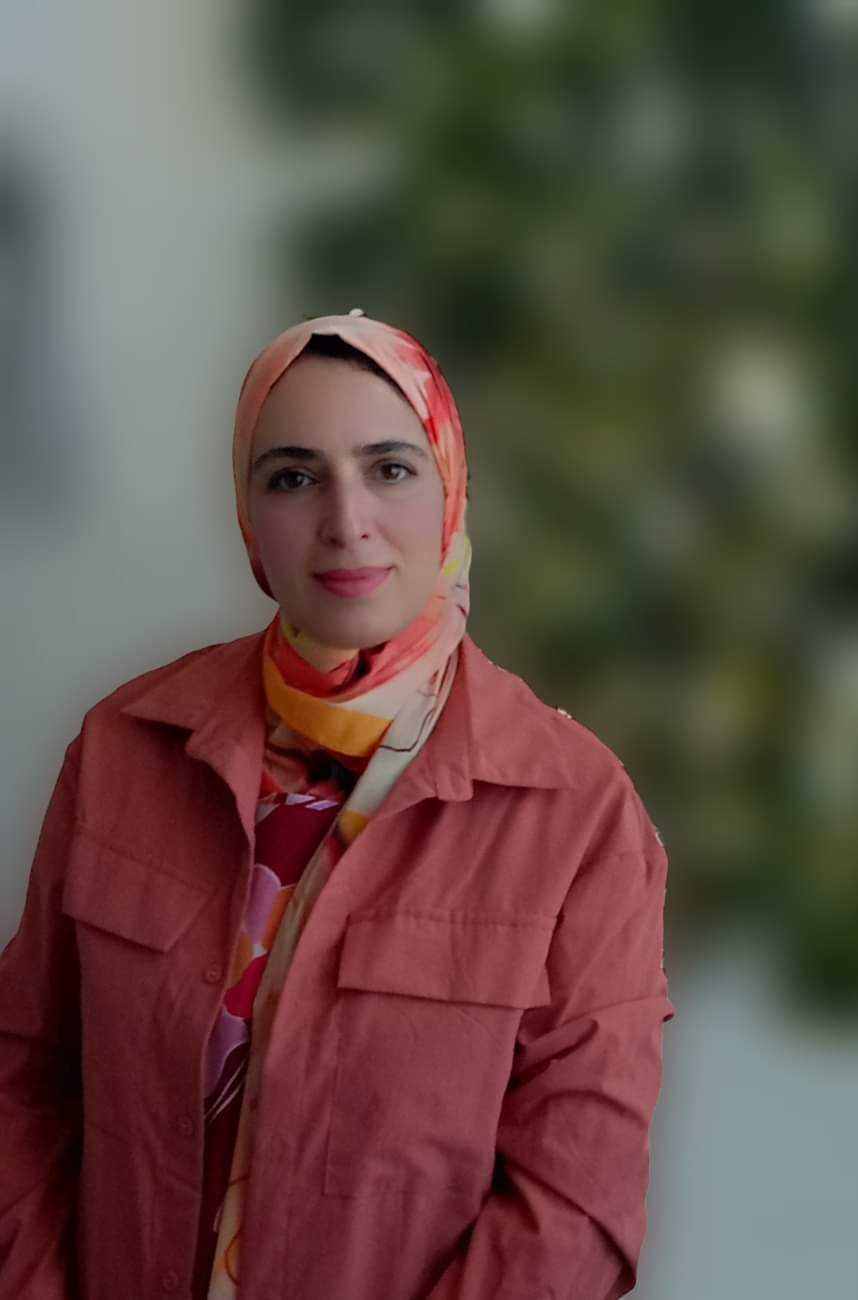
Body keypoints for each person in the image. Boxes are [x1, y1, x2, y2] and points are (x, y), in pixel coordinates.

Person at [0, 311, 675, 1299]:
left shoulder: (574, 811)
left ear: (450, 489)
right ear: (248, 515)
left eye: (389, 468)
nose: (346, 520)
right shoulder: (122, 751)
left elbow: (574, 1202)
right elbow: (22, 1076)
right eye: (293, 477)